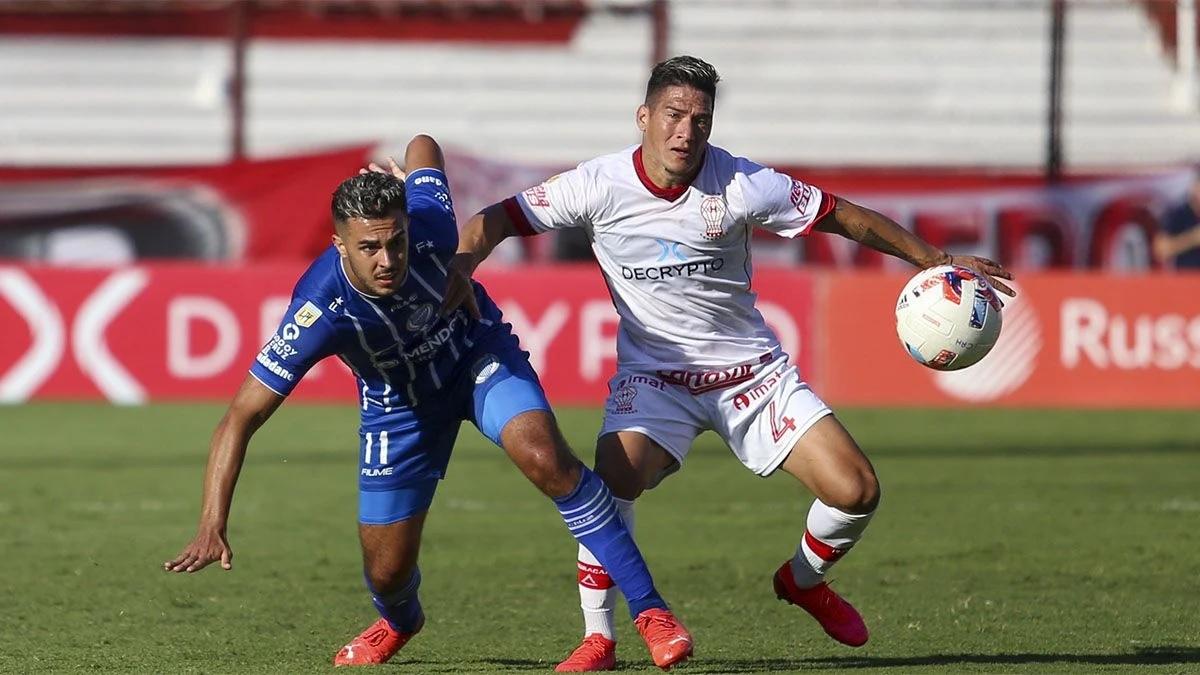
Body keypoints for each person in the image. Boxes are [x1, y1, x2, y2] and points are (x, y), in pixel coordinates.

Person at [442, 56, 1017, 672]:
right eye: (674, 115)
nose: (686, 131)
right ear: (644, 118)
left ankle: (802, 581)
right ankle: (599, 637)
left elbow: (843, 215)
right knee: (612, 480)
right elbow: (498, 217)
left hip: (753, 374)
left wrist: (932, 258)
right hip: (655, 378)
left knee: (857, 491)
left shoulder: (743, 184)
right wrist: (462, 263)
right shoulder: (596, 184)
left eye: (700, 118)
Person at [163, 134, 694, 670]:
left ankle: (652, 612)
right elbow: (241, 417)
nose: (389, 259)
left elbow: (423, 145)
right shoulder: (318, 310)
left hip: (473, 358)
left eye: (395, 241)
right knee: (387, 571)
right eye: (369, 247)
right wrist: (212, 523)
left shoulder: (430, 223)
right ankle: (398, 620)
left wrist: (434, 214)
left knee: (545, 459)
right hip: (399, 408)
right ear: (339, 244)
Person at [1154, 172, 1200, 270]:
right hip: (1185, 278)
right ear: (1194, 188)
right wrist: (1192, 238)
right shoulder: (1178, 213)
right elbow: (1160, 250)